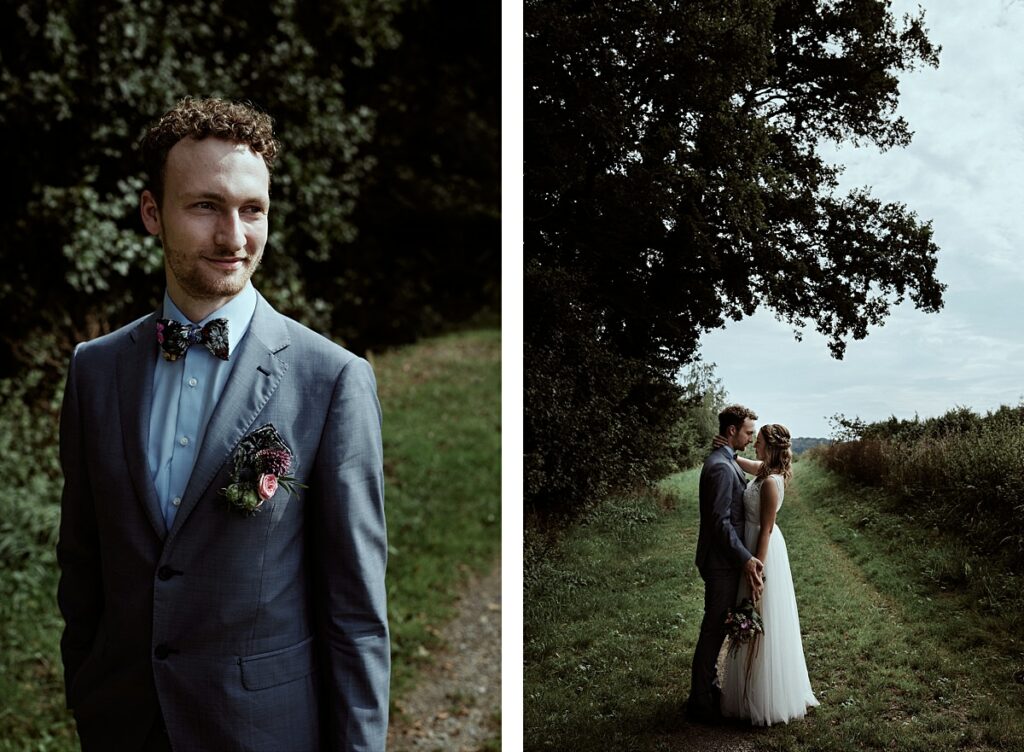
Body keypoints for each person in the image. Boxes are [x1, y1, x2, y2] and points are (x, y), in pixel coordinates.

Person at [56, 97, 390, 751]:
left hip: (263, 730)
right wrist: (90, 691)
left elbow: (355, 614)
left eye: (252, 209)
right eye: (205, 205)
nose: (234, 237)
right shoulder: (94, 370)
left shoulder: (332, 380)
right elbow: (83, 564)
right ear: (152, 212)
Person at [718, 423, 819, 725]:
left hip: (762, 549)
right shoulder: (763, 469)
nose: (754, 445)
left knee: (761, 616)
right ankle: (746, 691)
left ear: (771, 446)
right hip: (752, 544)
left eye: (759, 441)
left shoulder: (772, 482)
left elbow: (766, 529)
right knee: (751, 616)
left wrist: (757, 569)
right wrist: (725, 449)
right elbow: (741, 461)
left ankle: (765, 697)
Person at [687, 404, 765, 724]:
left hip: (724, 562)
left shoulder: (726, 458)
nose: (750, 437)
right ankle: (700, 703)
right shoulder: (719, 467)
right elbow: (720, 523)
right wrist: (746, 558)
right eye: (747, 432)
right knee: (713, 630)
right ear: (731, 431)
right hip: (720, 563)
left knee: (716, 628)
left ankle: (708, 689)